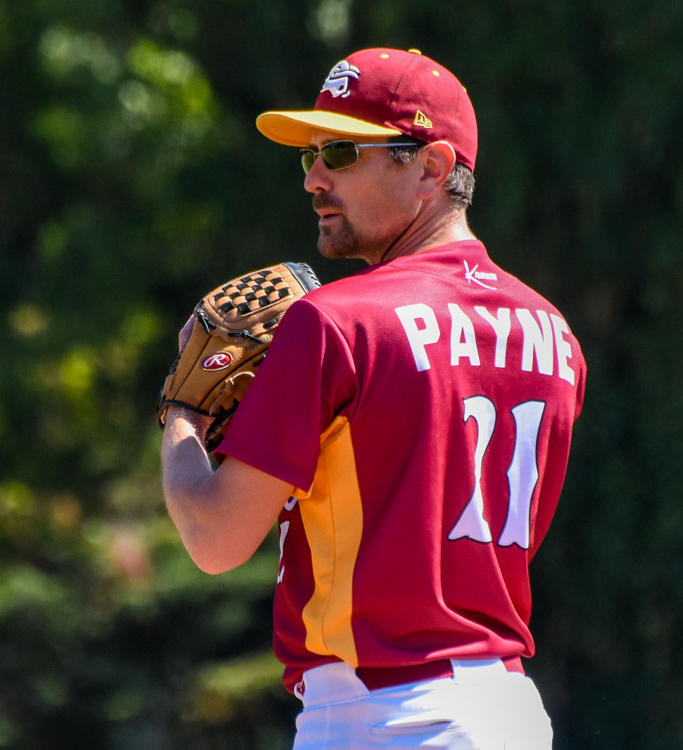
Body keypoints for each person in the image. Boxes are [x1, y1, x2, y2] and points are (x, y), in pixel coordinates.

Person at [162, 47, 586, 749]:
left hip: (384, 716)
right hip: (507, 711)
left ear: (431, 168)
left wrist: (183, 410)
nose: (314, 178)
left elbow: (214, 538)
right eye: (311, 155)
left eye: (341, 151)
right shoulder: (554, 332)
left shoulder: (336, 322)